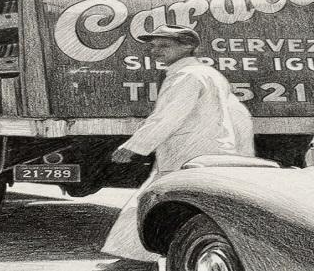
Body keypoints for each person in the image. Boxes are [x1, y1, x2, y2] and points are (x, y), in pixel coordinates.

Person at [99, 25, 255, 270]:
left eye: (163, 46)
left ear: (187, 46)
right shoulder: (206, 73)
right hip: (206, 153)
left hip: (187, 154)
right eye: (152, 46)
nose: (154, 51)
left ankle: (135, 262)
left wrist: (134, 146)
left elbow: (168, 118)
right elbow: (239, 117)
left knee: (148, 203)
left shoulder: (187, 76)